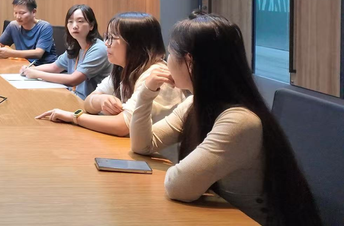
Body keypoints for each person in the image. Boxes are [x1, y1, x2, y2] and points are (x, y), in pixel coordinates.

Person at [129, 12, 321, 225]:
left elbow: (178, 186)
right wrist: (147, 92)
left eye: (171, 54)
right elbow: (143, 144)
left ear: (189, 62)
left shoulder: (240, 122)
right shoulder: (195, 105)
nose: (166, 61)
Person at [36, 12, 184, 137]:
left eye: (112, 38)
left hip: (158, 158)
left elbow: (123, 126)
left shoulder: (156, 75)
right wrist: (101, 100)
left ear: (135, 44)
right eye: (107, 37)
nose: (106, 43)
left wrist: (74, 117)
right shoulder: (123, 68)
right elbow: (88, 102)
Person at [19, 4, 111, 99]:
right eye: (70, 22)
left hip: (90, 103)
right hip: (74, 97)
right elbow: (54, 67)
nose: (74, 26)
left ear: (91, 26)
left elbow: (73, 80)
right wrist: (30, 70)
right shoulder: (75, 46)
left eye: (80, 21)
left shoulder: (98, 49)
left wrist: (37, 74)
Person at [0, 0, 57, 64]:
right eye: (15, 12)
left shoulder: (44, 27)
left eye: (22, 13)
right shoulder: (13, 26)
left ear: (33, 12)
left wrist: (10, 53)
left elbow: (38, 53)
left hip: (44, 66)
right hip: (23, 64)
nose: (18, 17)